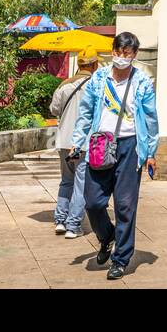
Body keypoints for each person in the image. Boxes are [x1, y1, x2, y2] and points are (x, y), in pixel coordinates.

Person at [70, 33, 159, 280]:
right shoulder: (99, 79)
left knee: (125, 205)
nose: (121, 57)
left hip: (130, 146)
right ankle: (106, 235)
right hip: (100, 143)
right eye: (118, 52)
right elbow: (86, 112)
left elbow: (150, 118)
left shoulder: (141, 82)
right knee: (93, 201)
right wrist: (77, 142)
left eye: (127, 53)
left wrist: (151, 152)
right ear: (113, 51)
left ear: (134, 55)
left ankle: (121, 258)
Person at [49, 53, 98, 239]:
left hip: (64, 141)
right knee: (81, 184)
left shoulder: (65, 85)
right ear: (95, 65)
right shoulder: (95, 86)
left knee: (66, 181)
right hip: (84, 143)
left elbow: (53, 109)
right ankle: (73, 224)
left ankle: (60, 220)